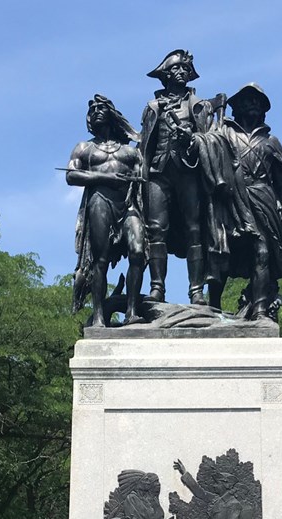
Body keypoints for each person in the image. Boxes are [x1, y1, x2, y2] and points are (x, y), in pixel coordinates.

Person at [140, 50, 213, 305]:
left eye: (185, 69)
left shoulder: (198, 105)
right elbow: (145, 147)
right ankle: (157, 288)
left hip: (188, 172)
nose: (181, 72)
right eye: (176, 69)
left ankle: (197, 290)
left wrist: (192, 140)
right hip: (158, 173)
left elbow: (211, 140)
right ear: (166, 75)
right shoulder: (152, 107)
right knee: (156, 230)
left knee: (195, 229)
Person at [66, 95, 145, 326]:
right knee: (99, 260)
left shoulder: (131, 152)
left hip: (129, 204)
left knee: (138, 252)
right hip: (100, 199)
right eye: (92, 109)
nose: (97, 111)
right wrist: (105, 177)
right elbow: (71, 175)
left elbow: (143, 178)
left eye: (102, 107)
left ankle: (131, 312)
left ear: (112, 113)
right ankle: (99, 316)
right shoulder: (84, 148)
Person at [220, 83, 282, 321]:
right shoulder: (224, 133)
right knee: (222, 251)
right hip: (231, 198)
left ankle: (260, 310)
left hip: (262, 198)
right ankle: (211, 307)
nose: (252, 103)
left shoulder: (271, 141)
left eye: (257, 101)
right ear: (236, 106)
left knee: (262, 252)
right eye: (247, 100)